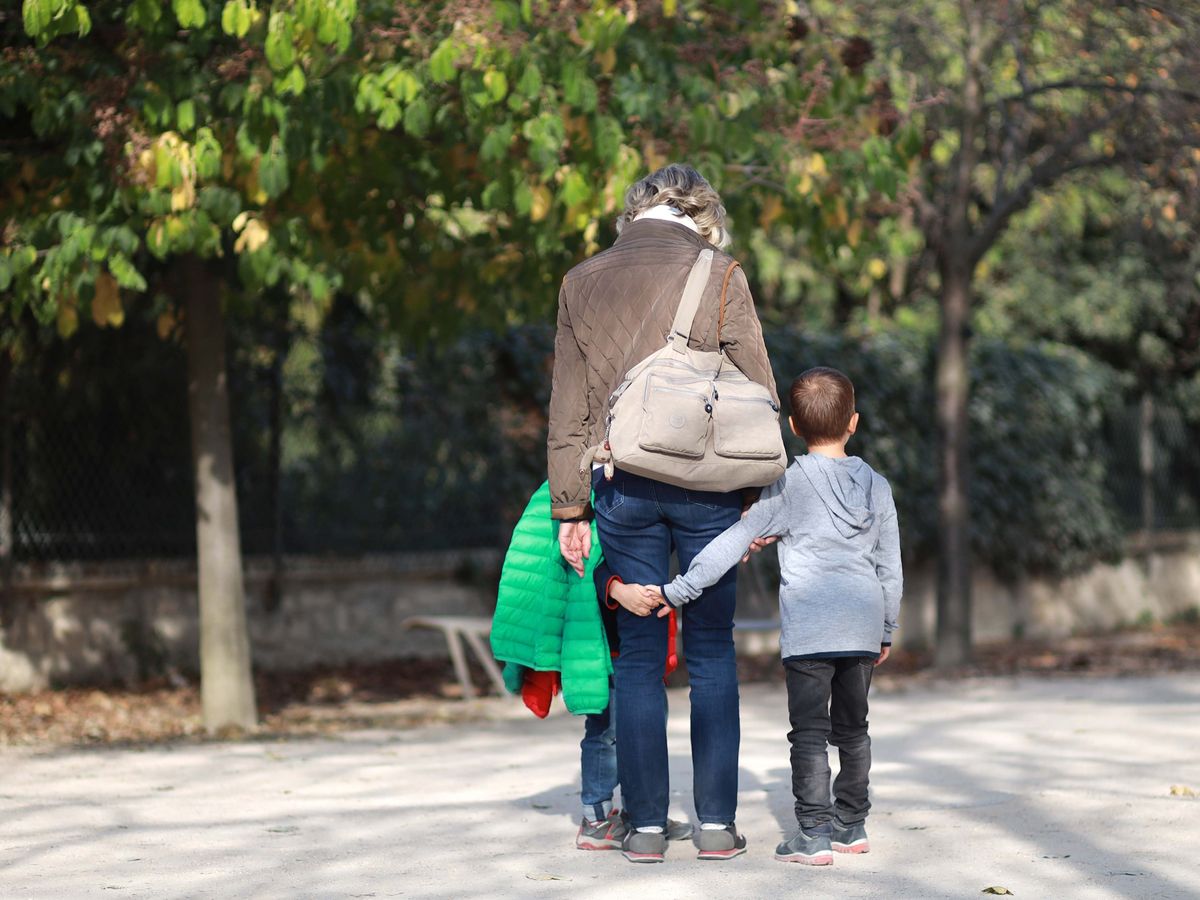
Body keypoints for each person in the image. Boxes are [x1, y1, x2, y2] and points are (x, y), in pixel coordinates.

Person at [547, 164, 778, 863]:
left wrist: (570, 507)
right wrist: (758, 497)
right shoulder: (721, 272)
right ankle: (714, 825)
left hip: (622, 481)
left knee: (640, 660)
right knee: (711, 651)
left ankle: (645, 828)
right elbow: (758, 387)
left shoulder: (582, 279)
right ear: (701, 212)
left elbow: (569, 402)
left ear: (633, 213)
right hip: (709, 487)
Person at [642, 367, 903, 865]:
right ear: (854, 422)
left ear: (794, 428)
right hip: (863, 623)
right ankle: (852, 825)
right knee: (854, 729)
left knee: (809, 733)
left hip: (810, 629)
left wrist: (679, 590)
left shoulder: (788, 485)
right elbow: (890, 566)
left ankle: (813, 834)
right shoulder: (878, 487)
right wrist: (887, 625)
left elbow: (731, 543)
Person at [488, 480, 690, 851]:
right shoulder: (577, 497)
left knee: (648, 720)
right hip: (600, 637)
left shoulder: (644, 488)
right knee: (605, 728)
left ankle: (640, 813)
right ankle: (596, 816)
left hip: (637, 634)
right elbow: (577, 570)